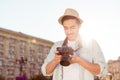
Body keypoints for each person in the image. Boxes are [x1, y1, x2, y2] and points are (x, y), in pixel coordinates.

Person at [41, 8, 107, 80]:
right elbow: (45, 71)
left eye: (72, 27)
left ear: (79, 26)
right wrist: (55, 60)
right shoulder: (57, 46)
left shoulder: (91, 44)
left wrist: (78, 60)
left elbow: (103, 71)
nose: (69, 32)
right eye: (66, 28)